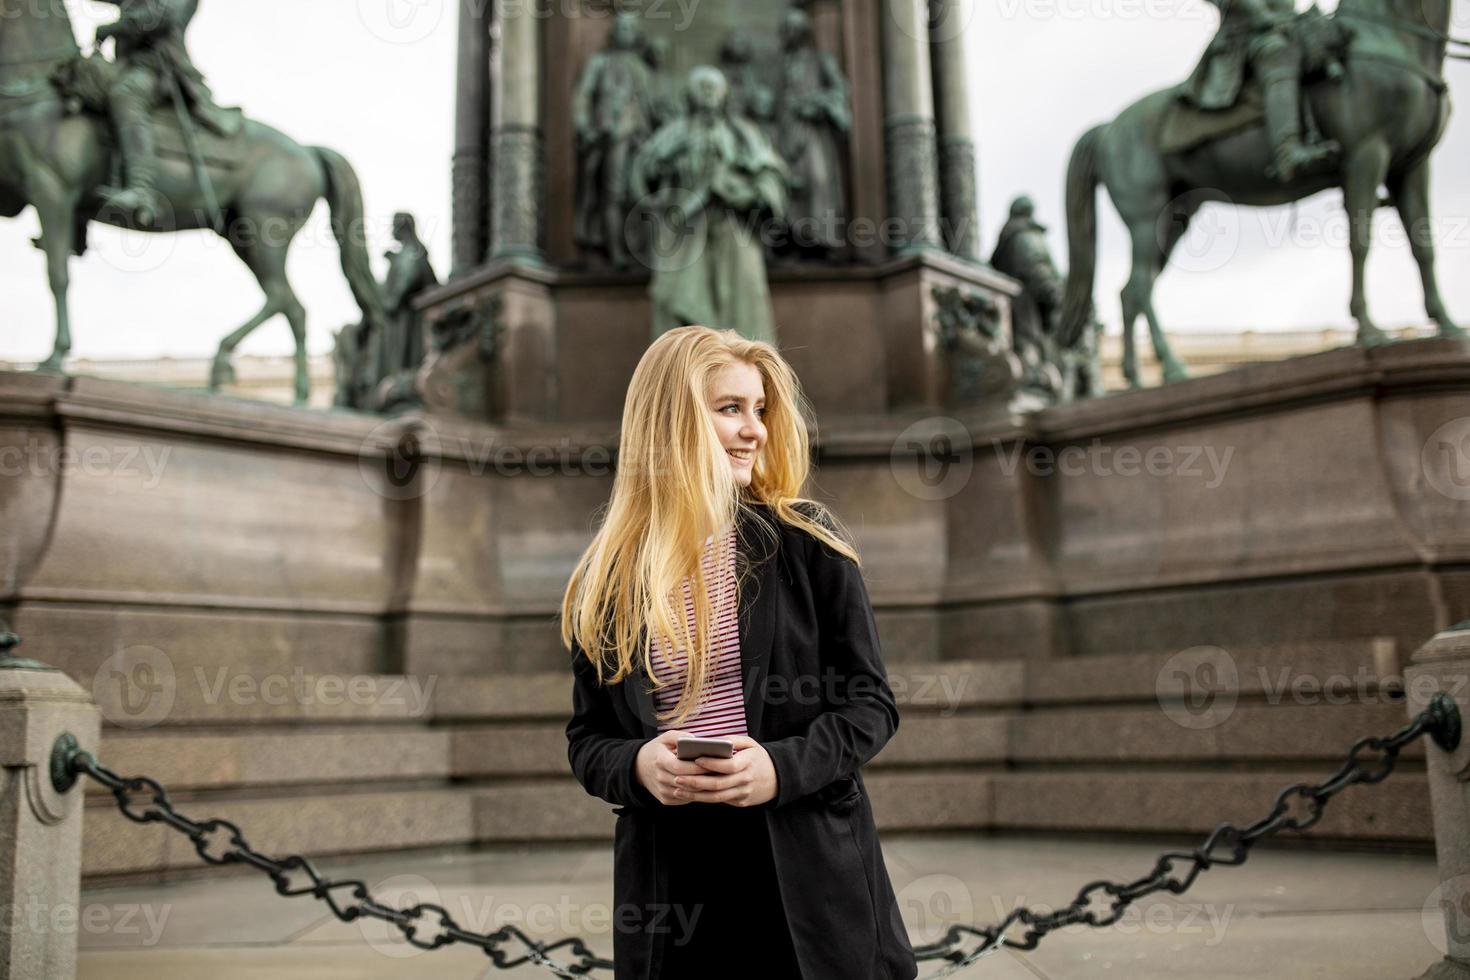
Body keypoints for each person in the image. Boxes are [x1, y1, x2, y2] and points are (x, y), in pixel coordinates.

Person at [562, 326, 918, 980]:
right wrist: (639, 766)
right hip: (673, 883)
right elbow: (588, 739)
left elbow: (872, 706)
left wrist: (780, 767)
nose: (754, 429)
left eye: (760, 410)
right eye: (730, 408)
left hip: (806, 870)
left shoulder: (808, 542)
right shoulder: (607, 576)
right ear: (669, 421)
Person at [94, 0, 242, 223]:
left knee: (125, 95)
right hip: (125, 66)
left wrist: (117, 26)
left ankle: (140, 189)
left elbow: (162, 16)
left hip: (159, 70)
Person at [1181, 0, 1339, 182]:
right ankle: (1287, 153)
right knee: (1278, 53)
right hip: (1245, 36)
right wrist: (1262, 15)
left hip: (1287, 26)